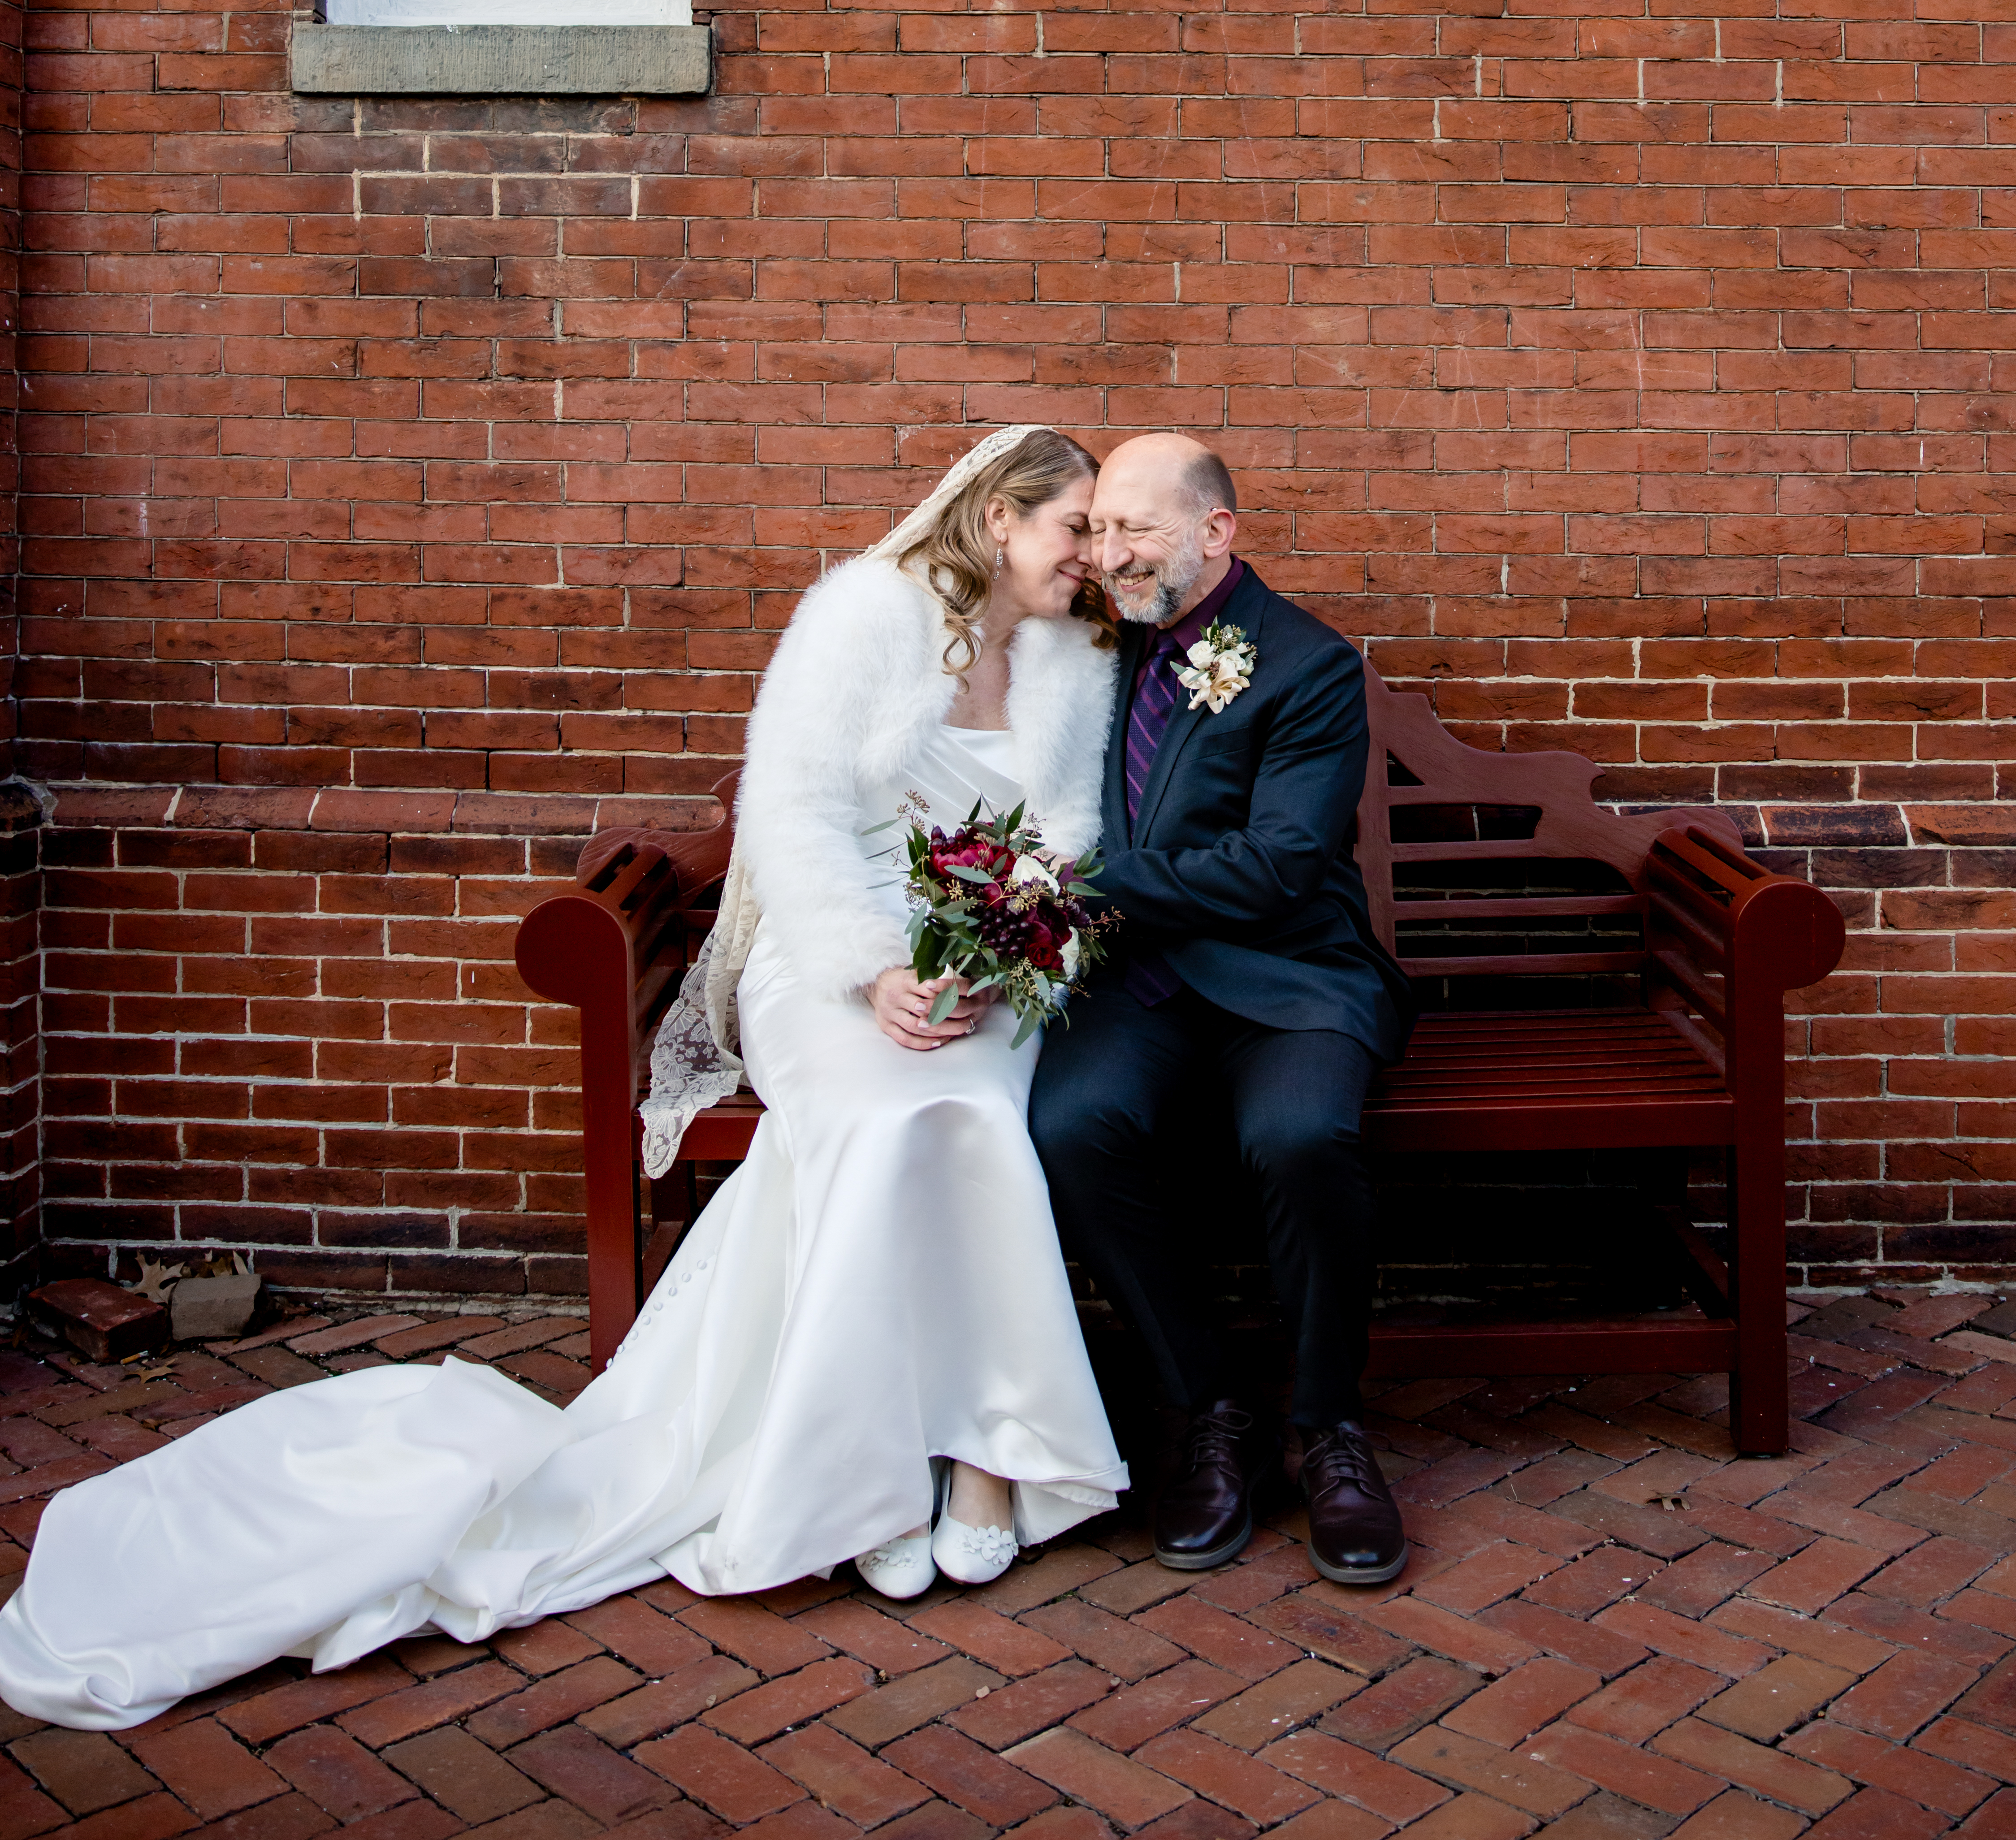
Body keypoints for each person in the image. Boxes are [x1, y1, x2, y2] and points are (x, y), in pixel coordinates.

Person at [0, 427, 1128, 1732]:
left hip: (986, 981)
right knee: (888, 1111)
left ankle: (981, 1461)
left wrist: (999, 958)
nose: (1093, 555)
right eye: (1077, 527)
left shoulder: (1076, 658)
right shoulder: (864, 614)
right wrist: (875, 968)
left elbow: (1065, 839)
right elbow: (794, 813)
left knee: (968, 1104)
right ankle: (859, 1473)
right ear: (1000, 519)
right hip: (828, 967)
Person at [1029, 433, 1417, 1587]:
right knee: (1068, 1130)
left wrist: (1080, 885)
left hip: (1286, 975)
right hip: (1140, 981)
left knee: (1297, 1137)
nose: (1111, 554)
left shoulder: (1306, 666)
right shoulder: (1092, 648)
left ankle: (1329, 1429)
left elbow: (1279, 864)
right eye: (1099, 528)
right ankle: (1210, 1407)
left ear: (1217, 531)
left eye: (1137, 529)